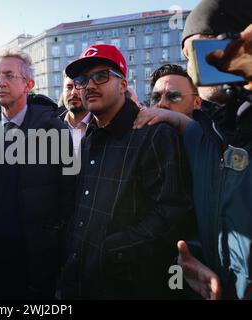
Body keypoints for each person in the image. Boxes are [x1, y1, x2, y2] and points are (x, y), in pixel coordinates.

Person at [134, 0, 252, 300]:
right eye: (187, 57)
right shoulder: (205, 135)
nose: (193, 69)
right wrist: (198, 257)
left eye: (199, 51)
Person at [61, 44, 194, 299]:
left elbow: (172, 214)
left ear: (123, 84)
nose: (88, 86)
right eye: (81, 80)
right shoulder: (90, 137)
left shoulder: (154, 133)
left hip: (128, 285)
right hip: (80, 280)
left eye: (101, 76)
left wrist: (108, 249)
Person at [0, 47, 75, 300]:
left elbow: (69, 195)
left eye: (9, 75)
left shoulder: (54, 131)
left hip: (38, 254)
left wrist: (57, 244)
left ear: (28, 84)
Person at [60, 71, 92, 154]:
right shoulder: (50, 125)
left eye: (80, 86)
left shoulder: (101, 126)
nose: (74, 92)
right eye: (69, 87)